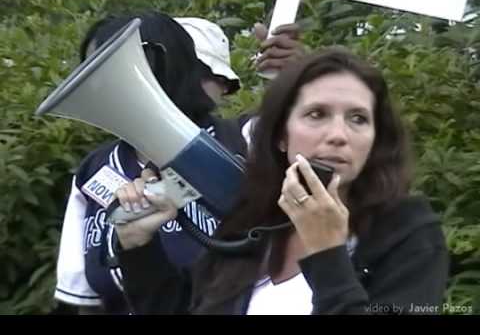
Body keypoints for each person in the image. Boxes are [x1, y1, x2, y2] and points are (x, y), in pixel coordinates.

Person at [114, 47, 450, 315]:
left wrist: (327, 251)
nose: (338, 135)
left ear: (375, 139)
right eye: (316, 114)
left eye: (358, 118)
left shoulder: (408, 232)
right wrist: (138, 248)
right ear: (281, 137)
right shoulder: (253, 221)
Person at [54, 12, 304, 314]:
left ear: (166, 63)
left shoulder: (249, 139)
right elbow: (84, 300)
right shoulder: (93, 171)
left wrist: (302, 81)